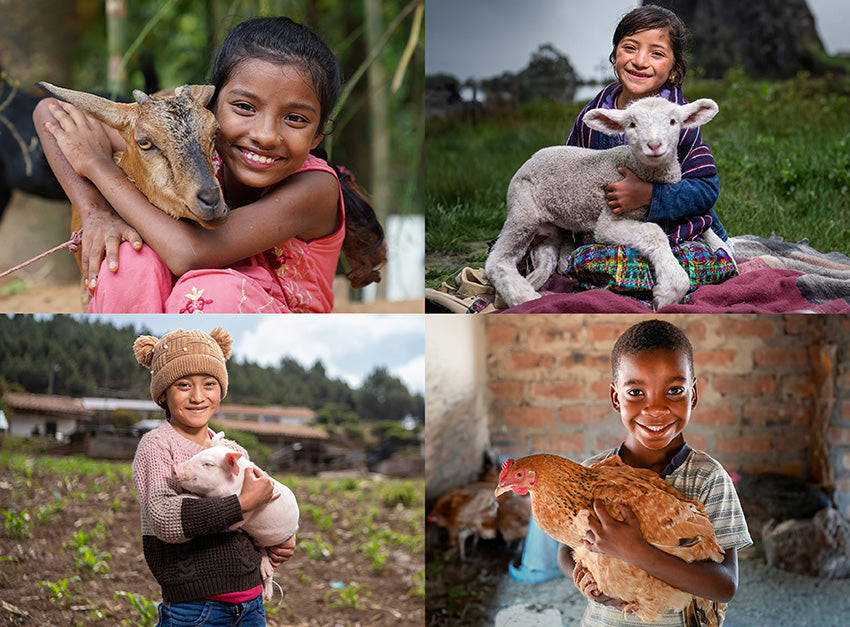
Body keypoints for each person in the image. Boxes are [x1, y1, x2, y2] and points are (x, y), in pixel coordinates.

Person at [34, 17, 385, 313]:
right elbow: (50, 112)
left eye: (294, 118)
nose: (265, 135)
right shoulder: (194, 135)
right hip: (182, 319)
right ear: (212, 107)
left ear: (319, 134)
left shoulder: (314, 190)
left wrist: (100, 168)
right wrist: (94, 212)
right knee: (129, 264)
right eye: (245, 107)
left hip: (253, 320)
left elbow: (189, 253)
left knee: (216, 293)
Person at [557, 319, 751, 626]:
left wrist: (636, 551)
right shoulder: (591, 475)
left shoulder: (708, 479)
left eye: (674, 390)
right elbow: (566, 552)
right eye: (636, 392)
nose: (656, 408)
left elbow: (724, 586)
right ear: (615, 398)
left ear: (694, 394)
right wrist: (587, 580)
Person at [131, 327, 295, 626]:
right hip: (195, 609)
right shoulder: (157, 446)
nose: (197, 396)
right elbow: (165, 518)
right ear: (162, 394)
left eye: (209, 383)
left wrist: (281, 536)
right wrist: (241, 502)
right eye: (183, 385)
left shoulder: (231, 450)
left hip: (251, 603)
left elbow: (262, 503)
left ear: (221, 390)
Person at [566, 5, 728, 246]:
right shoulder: (593, 117)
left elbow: (704, 189)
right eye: (630, 48)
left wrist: (649, 196)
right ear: (614, 55)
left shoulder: (679, 121)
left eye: (657, 53)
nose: (640, 61)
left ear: (674, 69)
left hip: (675, 231)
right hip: (607, 231)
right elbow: (569, 174)